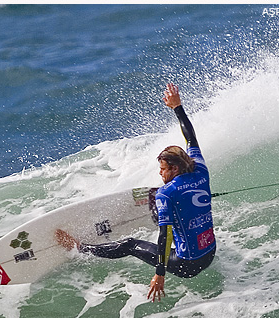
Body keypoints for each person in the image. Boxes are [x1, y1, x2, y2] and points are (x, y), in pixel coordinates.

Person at [55, 83, 216, 302]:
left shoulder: (166, 193)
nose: (160, 174)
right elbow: (191, 138)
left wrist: (160, 274)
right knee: (176, 216)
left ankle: (80, 248)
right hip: (209, 255)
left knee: (130, 245)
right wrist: (177, 108)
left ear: (175, 169)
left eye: (163, 170)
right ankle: (163, 214)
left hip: (187, 265)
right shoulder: (200, 170)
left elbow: (164, 236)